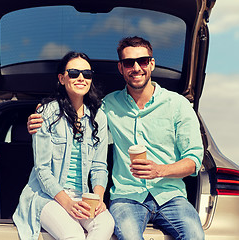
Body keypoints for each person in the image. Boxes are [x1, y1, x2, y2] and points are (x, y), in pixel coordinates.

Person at [27, 37, 204, 240]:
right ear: (121, 68)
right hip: (127, 197)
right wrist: (38, 114)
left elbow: (194, 162)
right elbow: (75, 110)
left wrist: (159, 170)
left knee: (195, 236)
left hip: (171, 196)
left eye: (143, 61)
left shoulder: (178, 105)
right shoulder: (106, 107)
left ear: (152, 64)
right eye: (129, 63)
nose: (136, 68)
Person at [13, 51, 115, 240]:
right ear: (62, 78)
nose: (81, 78)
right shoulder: (46, 113)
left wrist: (98, 198)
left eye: (87, 74)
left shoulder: (99, 118)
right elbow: (42, 170)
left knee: (106, 224)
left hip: (84, 196)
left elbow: (100, 166)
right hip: (47, 196)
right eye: (74, 73)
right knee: (73, 234)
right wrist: (67, 203)